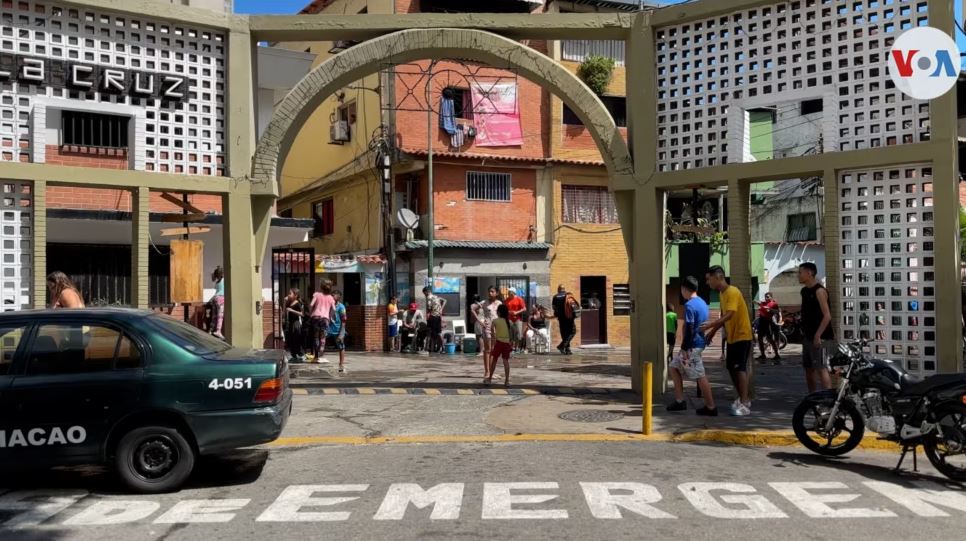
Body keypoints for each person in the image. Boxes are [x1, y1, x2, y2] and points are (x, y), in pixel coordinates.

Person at [701, 266, 754, 416]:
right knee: (731, 368)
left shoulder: (732, 292)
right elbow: (723, 318)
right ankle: (742, 398)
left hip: (742, 336)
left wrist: (709, 325)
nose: (707, 282)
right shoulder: (722, 294)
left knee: (740, 368)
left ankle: (745, 403)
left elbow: (730, 315)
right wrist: (712, 332)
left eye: (708, 278)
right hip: (732, 337)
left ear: (718, 277)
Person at [667, 276, 717, 416]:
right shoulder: (702, 303)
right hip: (697, 343)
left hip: (691, 346)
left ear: (684, 289)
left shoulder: (689, 305)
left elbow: (689, 327)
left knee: (700, 375)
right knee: (673, 367)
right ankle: (679, 400)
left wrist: (684, 347)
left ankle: (711, 407)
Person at [799, 262, 834, 392]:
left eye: (800, 272)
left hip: (821, 337)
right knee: (809, 369)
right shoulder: (804, 291)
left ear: (809, 273)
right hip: (807, 335)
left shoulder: (820, 291)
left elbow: (827, 316)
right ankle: (812, 398)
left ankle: (828, 399)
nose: (799, 275)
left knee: (821, 368)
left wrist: (818, 335)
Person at [309, 281, 336, 363]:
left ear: (321, 287)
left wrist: (311, 313)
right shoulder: (331, 298)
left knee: (316, 337)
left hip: (316, 317)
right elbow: (334, 309)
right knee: (323, 336)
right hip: (325, 319)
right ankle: (322, 347)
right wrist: (330, 317)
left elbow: (311, 305)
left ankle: (316, 356)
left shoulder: (317, 295)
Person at [486, 304, 513, 386]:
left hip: (499, 342)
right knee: (506, 361)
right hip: (506, 343)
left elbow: (492, 331)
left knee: (494, 360)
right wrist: (511, 342)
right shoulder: (509, 322)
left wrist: (494, 341)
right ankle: (507, 381)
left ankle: (489, 378)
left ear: (499, 312)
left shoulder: (495, 321)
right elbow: (511, 333)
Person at [552, 285, 580, 355]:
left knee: (564, 333)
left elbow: (554, 307)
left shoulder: (555, 297)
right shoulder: (568, 295)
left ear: (558, 289)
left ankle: (567, 349)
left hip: (561, 318)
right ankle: (563, 346)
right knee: (572, 332)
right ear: (564, 289)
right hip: (569, 317)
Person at [326, 289, 348, 373]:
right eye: (331, 295)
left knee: (341, 347)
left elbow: (344, 320)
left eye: (334, 295)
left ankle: (341, 364)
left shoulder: (341, 307)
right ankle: (317, 357)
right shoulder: (328, 305)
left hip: (337, 330)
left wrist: (341, 333)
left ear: (338, 297)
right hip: (328, 329)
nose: (332, 297)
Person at [481, 287, 502, 372]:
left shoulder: (499, 303)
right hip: (487, 327)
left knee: (493, 350)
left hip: (496, 328)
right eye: (489, 291)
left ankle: (491, 372)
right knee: (487, 349)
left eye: (492, 292)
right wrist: (481, 321)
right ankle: (487, 372)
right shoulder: (484, 302)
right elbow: (473, 309)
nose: (490, 293)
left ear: (496, 293)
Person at [756, 291, 782, 364]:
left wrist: (770, 309)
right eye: (765, 297)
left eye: (768, 296)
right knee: (759, 338)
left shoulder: (774, 304)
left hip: (768, 322)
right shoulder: (763, 303)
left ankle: (777, 354)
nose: (766, 298)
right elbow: (759, 303)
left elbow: (777, 311)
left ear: (771, 297)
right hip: (762, 322)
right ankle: (763, 354)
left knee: (770, 339)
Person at [423, 286, 446, 354]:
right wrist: (441, 308)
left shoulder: (429, 297)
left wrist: (427, 316)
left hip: (433, 316)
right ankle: (443, 348)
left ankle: (429, 348)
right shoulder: (436, 297)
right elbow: (445, 300)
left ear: (427, 292)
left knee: (430, 332)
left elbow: (429, 308)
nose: (424, 295)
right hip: (438, 316)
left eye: (424, 293)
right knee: (439, 333)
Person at [284, 288, 305, 362]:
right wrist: (285, 302)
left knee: (296, 339)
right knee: (291, 340)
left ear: (295, 295)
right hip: (290, 323)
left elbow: (302, 314)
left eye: (290, 293)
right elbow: (284, 311)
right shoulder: (289, 302)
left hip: (296, 324)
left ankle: (301, 355)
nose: (288, 295)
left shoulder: (297, 303)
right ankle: (294, 355)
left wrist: (292, 310)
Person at [504, 287, 527, 352]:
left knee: (518, 334)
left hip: (517, 319)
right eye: (508, 292)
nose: (508, 293)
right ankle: (511, 347)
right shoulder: (507, 300)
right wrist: (508, 312)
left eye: (509, 292)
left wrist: (517, 312)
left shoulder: (519, 299)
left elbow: (524, 308)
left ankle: (517, 347)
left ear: (513, 292)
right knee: (510, 333)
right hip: (509, 319)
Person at [208, 266, 225, 339]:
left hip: (215, 298)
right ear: (222, 274)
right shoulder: (224, 280)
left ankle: (211, 330)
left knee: (214, 316)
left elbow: (217, 291)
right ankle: (218, 331)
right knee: (220, 316)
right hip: (221, 298)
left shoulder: (217, 282)